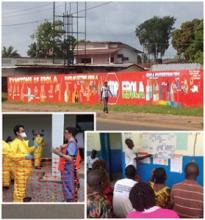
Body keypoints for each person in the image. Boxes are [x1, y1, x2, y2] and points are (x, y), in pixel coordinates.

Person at [9, 125, 39, 202]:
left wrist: (34, 147)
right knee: (19, 187)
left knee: (23, 186)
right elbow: (11, 155)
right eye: (22, 131)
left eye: (24, 131)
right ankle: (18, 202)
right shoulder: (14, 143)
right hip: (19, 170)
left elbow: (27, 150)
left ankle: (22, 198)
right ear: (17, 133)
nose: (24, 132)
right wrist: (24, 156)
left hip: (25, 169)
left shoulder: (23, 142)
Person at [52, 127, 78, 202]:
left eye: (65, 133)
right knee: (66, 186)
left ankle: (70, 202)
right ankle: (68, 200)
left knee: (69, 186)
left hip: (69, 169)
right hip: (66, 169)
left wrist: (58, 153)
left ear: (70, 134)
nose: (64, 134)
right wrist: (60, 149)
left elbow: (70, 158)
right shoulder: (69, 143)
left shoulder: (72, 144)